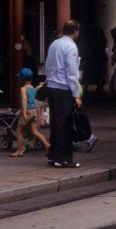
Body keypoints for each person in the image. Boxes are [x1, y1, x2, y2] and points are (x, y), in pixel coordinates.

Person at [44, 20, 83, 168]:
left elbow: (48, 65)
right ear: (76, 31)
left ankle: (53, 156)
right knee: (65, 124)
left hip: (52, 86)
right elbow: (72, 73)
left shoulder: (54, 44)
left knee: (55, 122)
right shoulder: (71, 47)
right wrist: (76, 95)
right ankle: (63, 158)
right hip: (64, 89)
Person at [9, 67, 50, 157]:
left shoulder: (23, 89)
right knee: (35, 131)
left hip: (28, 111)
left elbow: (24, 99)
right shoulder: (32, 88)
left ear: (21, 79)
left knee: (19, 131)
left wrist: (23, 112)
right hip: (35, 111)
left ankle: (19, 151)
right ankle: (47, 145)